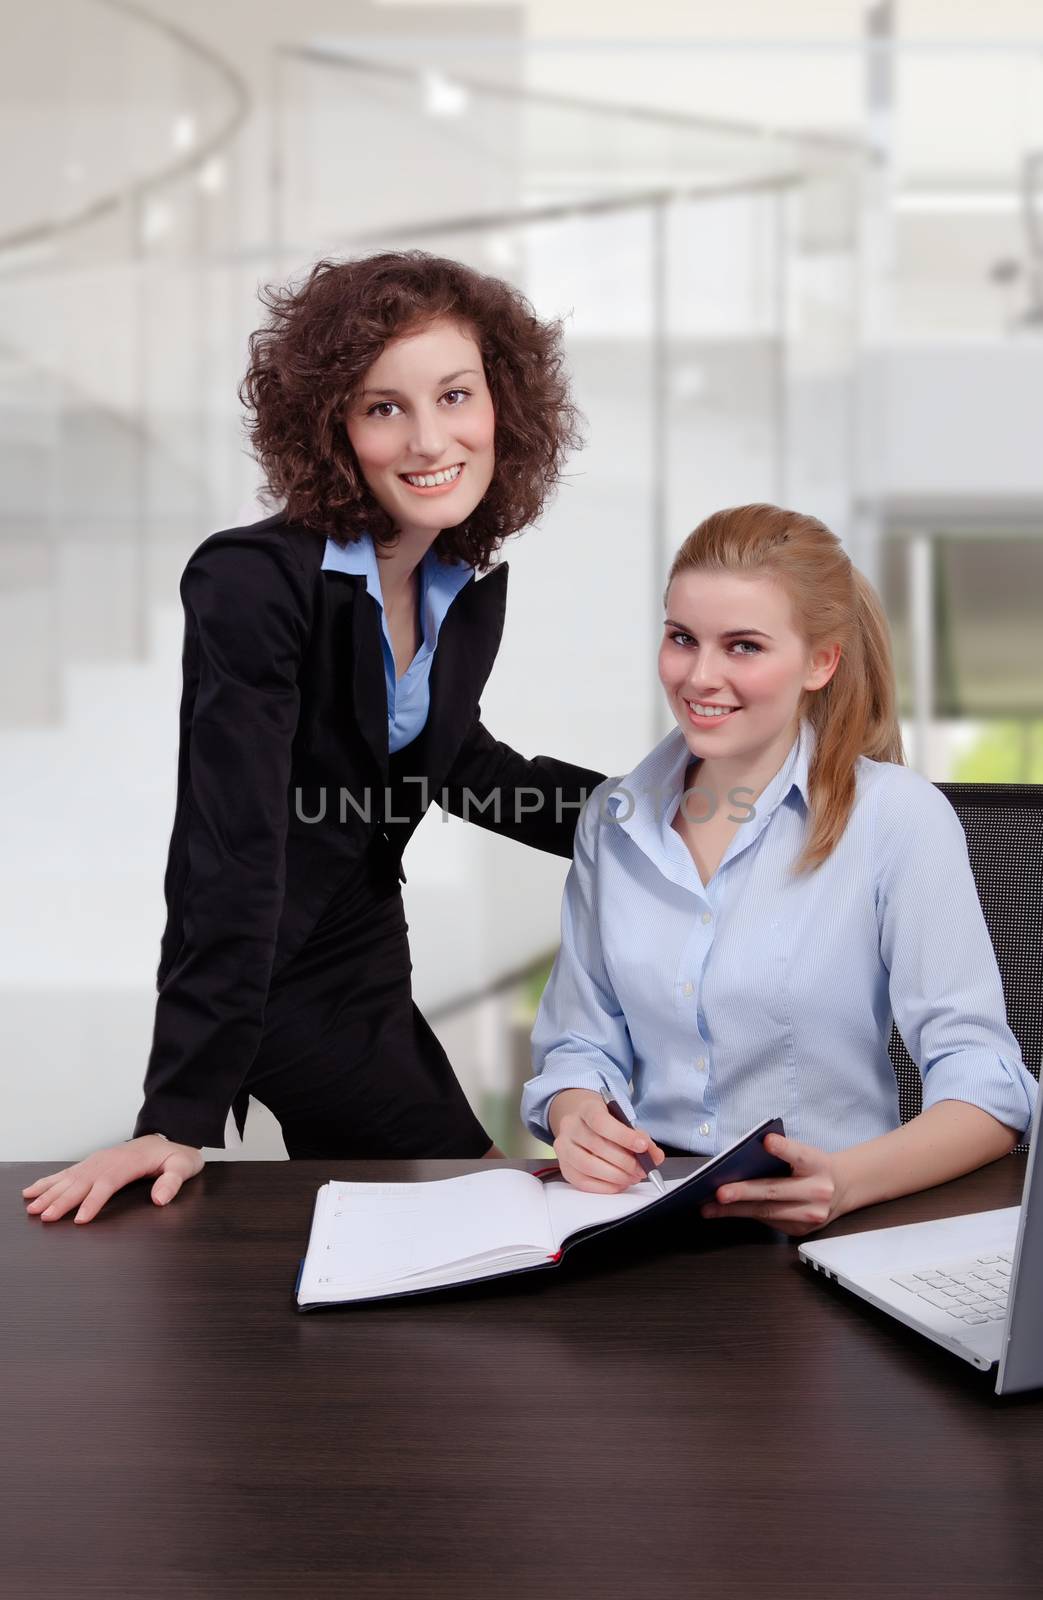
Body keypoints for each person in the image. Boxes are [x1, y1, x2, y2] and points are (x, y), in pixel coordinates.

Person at [24, 251, 603, 1225]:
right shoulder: (253, 580)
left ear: (501, 401)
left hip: (365, 945)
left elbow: (455, 760)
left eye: (454, 395)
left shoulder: (457, 584)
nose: (429, 439)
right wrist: (179, 1111)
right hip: (270, 967)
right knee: (472, 1212)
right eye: (384, 408)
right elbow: (232, 842)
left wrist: (663, 813)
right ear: (331, 426)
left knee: (430, 1218)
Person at [521, 502, 1037, 1236]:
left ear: (819, 662)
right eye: (681, 639)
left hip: (830, 1224)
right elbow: (579, 1042)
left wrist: (846, 1182)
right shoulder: (613, 819)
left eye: (743, 647)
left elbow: (989, 1090)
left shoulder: (895, 819)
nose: (699, 676)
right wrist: (577, 1113)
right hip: (644, 1221)